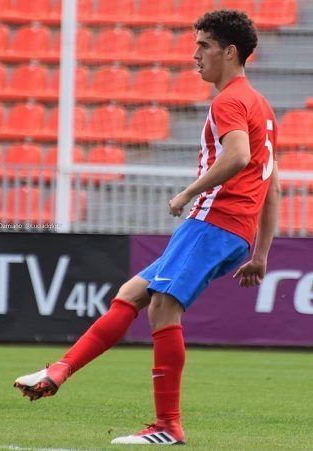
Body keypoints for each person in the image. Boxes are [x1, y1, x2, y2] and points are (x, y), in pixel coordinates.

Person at [14, 9, 280, 446]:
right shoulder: (262, 106)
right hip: (236, 231)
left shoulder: (229, 100)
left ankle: (167, 426)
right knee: (132, 294)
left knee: (162, 308)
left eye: (204, 46)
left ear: (230, 52)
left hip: (214, 221)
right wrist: (260, 253)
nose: (195, 55)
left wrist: (187, 192)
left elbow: (237, 157)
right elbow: (272, 187)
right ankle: (57, 371)